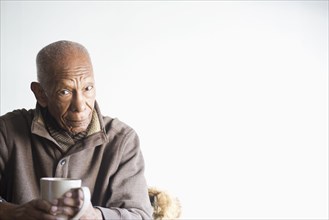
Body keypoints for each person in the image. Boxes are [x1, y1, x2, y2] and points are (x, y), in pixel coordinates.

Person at [0, 40, 153, 220]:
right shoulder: (7, 131)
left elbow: (140, 215)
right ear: (41, 94)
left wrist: (96, 216)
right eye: (65, 91)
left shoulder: (122, 140)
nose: (80, 106)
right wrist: (16, 213)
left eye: (87, 88)